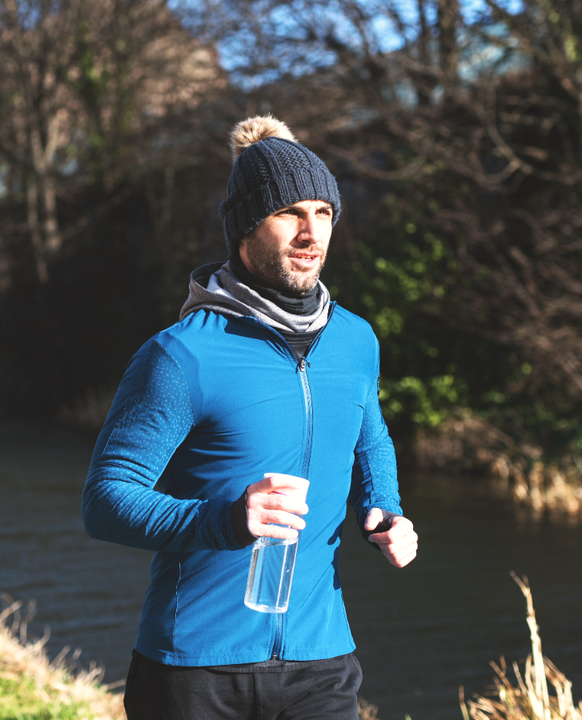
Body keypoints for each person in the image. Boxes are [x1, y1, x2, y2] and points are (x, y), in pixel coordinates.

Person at [81, 115, 418, 720]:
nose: (311, 232)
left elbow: (371, 437)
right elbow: (105, 502)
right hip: (195, 668)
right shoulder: (182, 354)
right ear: (245, 227)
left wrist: (385, 507)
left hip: (322, 660)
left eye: (323, 212)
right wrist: (227, 521)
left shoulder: (355, 340)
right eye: (290, 212)